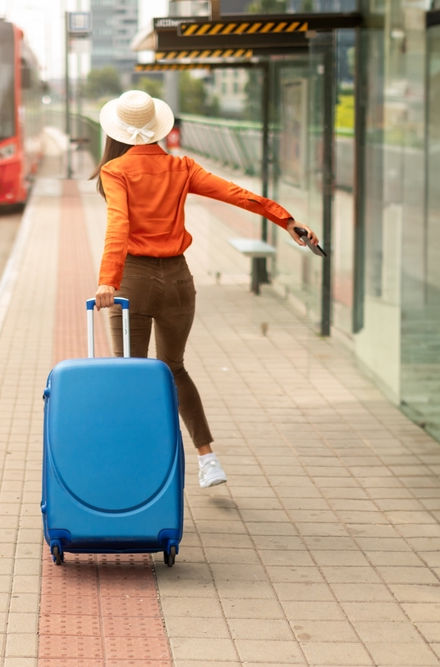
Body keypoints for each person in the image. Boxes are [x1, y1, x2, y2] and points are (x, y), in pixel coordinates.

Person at [91, 90, 319, 488]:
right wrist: (286, 220)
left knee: (128, 374)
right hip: (179, 281)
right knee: (174, 368)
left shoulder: (116, 171)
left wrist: (108, 280)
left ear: (117, 131)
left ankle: (138, 463)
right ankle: (207, 459)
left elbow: (119, 227)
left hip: (133, 281)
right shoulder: (181, 166)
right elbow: (236, 194)